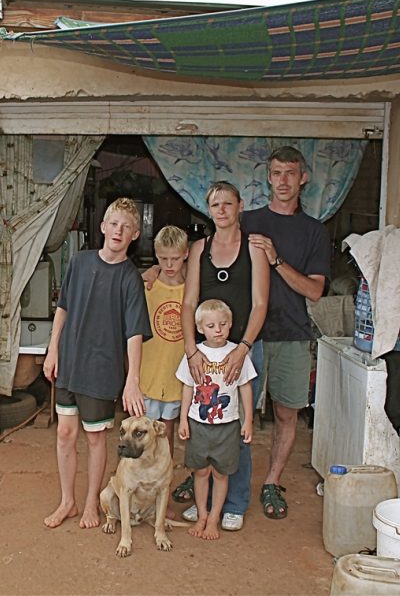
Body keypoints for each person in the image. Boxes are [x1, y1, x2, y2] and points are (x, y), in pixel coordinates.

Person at [149, 181, 269, 531]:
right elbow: (188, 302)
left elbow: (260, 303)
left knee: (237, 428)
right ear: (208, 209)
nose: (222, 210)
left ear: (240, 206)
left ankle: (234, 503)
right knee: (203, 424)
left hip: (243, 348)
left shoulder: (254, 248)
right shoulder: (199, 248)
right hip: (205, 352)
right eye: (215, 204)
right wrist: (191, 351)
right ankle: (205, 497)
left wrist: (243, 348)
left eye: (228, 203)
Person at [42, 197, 152, 530]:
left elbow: (134, 333)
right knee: (64, 432)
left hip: (102, 369)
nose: (118, 231)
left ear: (135, 235)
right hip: (70, 360)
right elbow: (63, 307)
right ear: (103, 226)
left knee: (95, 438)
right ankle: (68, 501)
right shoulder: (79, 262)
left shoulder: (130, 279)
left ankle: (91, 502)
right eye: (114, 224)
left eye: (126, 227)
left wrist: (132, 379)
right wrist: (53, 349)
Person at [246, 146, 330, 520]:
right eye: (277, 173)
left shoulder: (314, 231)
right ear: (268, 177)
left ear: (303, 178)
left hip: (292, 333)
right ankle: (223, 477)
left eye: (290, 173)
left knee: (286, 413)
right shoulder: (247, 221)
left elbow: (314, 290)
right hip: (246, 335)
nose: (283, 181)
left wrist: (276, 259)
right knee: (233, 412)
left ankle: (272, 482)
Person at [177, 299, 256, 540]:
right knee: (201, 472)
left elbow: (245, 387)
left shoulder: (237, 354)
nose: (218, 330)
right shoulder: (194, 354)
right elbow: (187, 387)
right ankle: (202, 514)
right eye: (211, 326)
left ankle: (214, 518)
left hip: (228, 424)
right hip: (198, 423)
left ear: (231, 324)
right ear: (200, 328)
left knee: (221, 474)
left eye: (223, 324)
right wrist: (183, 420)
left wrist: (248, 420)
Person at [139, 225, 190, 457]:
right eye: (163, 258)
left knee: (167, 431)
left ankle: (164, 473)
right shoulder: (146, 286)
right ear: (156, 255)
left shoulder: (191, 290)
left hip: (175, 373)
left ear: (186, 254)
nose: (169, 265)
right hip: (147, 372)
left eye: (175, 259)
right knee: (143, 432)